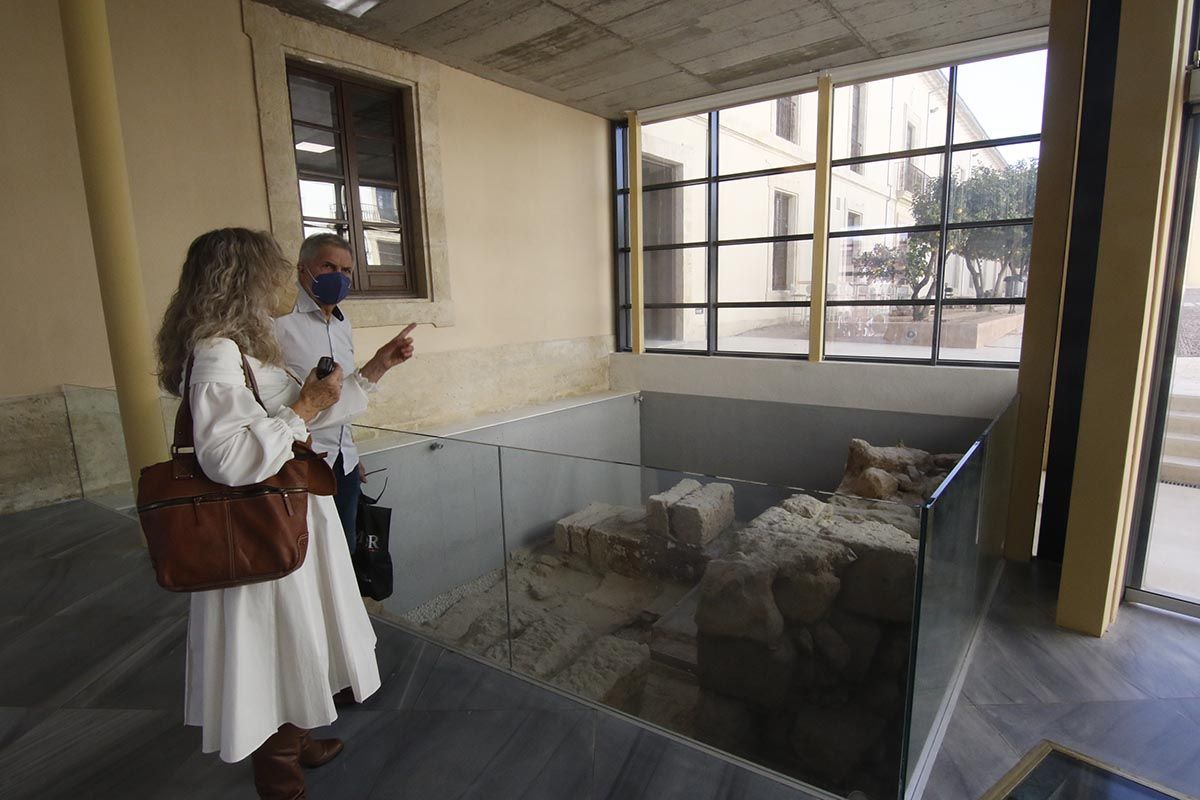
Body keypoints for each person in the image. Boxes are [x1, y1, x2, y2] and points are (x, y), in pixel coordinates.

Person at [156, 228, 382, 799]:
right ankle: (277, 769)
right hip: (259, 530)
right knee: (275, 642)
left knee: (298, 640)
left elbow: (304, 415)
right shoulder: (215, 353)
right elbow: (227, 458)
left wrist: (340, 387)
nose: (278, 283)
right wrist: (302, 407)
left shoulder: (243, 349)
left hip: (290, 521)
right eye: (267, 271)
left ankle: (295, 737)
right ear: (240, 279)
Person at [274, 233, 415, 558]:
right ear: (302, 270)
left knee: (345, 553)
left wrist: (351, 452)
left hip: (344, 464)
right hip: (302, 466)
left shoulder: (341, 323)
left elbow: (342, 393)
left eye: (347, 270)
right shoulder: (279, 325)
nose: (339, 276)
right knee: (311, 557)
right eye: (328, 266)